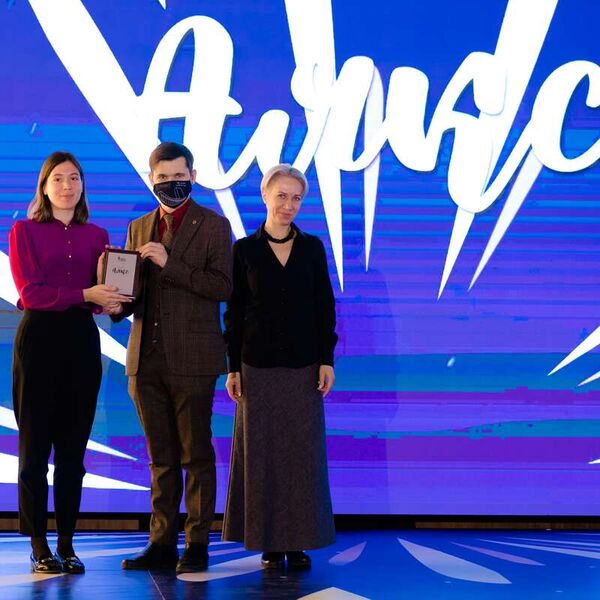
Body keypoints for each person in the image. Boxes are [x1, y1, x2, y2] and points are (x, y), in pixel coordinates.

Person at [111, 142, 233, 574]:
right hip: (145, 360)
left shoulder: (215, 226)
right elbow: (133, 292)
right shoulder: (138, 226)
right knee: (159, 458)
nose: (171, 184)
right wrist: (115, 304)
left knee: (195, 455)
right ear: (151, 179)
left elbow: (223, 287)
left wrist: (170, 263)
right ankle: (161, 543)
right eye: (162, 178)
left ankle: (196, 543)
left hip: (194, 360)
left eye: (179, 176)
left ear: (193, 177)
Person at [9, 151, 130, 574]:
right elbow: (30, 293)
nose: (67, 185)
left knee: (73, 453)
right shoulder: (24, 231)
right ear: (44, 187)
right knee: (33, 451)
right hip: (38, 341)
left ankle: (66, 543)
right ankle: (38, 545)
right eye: (58, 178)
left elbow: (102, 299)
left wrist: (113, 299)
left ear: (82, 186)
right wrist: (86, 295)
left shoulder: (97, 235)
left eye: (74, 178)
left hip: (81, 341)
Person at [222, 163, 337, 569]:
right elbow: (235, 314)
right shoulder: (244, 250)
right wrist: (233, 367)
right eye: (282, 196)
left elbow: (324, 308)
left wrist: (326, 360)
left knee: (302, 457)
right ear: (265, 196)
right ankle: (269, 540)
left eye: (296, 198)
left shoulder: (312, 248)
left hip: (304, 366)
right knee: (263, 456)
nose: (289, 205)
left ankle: (299, 540)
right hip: (257, 366)